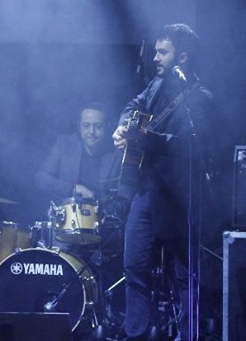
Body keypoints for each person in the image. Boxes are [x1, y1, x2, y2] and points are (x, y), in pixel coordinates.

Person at [111, 23, 218, 341]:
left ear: (182, 57)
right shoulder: (155, 86)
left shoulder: (201, 98)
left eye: (163, 52)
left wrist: (148, 140)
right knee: (135, 267)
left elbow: (190, 146)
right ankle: (136, 334)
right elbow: (133, 106)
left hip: (178, 197)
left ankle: (189, 336)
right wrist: (123, 128)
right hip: (145, 193)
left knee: (183, 275)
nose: (155, 57)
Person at [34, 103, 117, 203]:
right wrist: (73, 189)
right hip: (66, 215)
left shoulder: (115, 153)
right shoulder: (64, 144)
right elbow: (41, 178)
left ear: (107, 127)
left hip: (102, 216)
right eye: (86, 126)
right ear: (79, 126)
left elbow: (124, 199)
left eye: (98, 126)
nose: (91, 131)